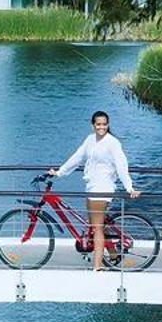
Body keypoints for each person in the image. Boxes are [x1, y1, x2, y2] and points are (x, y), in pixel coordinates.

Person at [52, 110, 142, 271]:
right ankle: (113, 255)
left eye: (104, 124)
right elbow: (77, 158)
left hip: (104, 187)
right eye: (98, 124)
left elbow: (122, 166)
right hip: (91, 186)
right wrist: (60, 172)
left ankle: (97, 266)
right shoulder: (89, 140)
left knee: (97, 228)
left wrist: (129, 187)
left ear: (108, 125)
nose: (102, 127)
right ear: (93, 125)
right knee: (95, 224)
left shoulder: (113, 143)